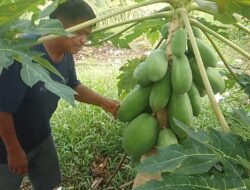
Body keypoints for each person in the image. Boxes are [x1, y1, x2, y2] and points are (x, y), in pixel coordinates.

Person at [0, 0, 119, 189]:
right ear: (57, 25)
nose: (83, 40)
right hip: (6, 146)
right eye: (79, 32)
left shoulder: (65, 53)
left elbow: (71, 86)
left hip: (41, 136)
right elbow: (2, 111)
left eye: (86, 35)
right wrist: (13, 151)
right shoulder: (20, 55)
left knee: (52, 185)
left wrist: (106, 103)